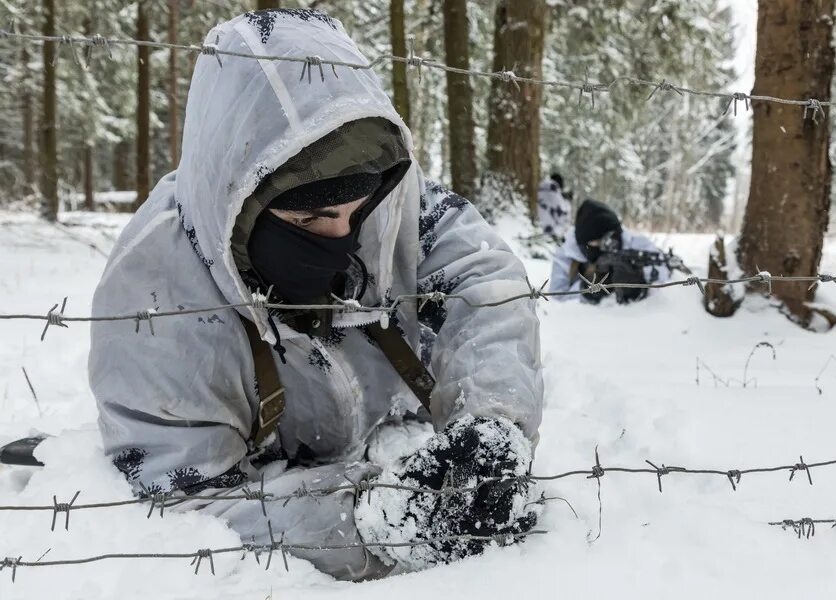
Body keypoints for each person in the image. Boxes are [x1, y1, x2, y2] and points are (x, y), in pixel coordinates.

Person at [89, 9, 542, 580]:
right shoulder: (155, 298)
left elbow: (484, 280)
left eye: (357, 213)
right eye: (311, 216)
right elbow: (189, 504)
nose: (343, 237)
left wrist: (491, 423)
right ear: (242, 199)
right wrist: (376, 520)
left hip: (384, 426)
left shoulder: (388, 197)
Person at [549, 199, 673, 304]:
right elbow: (556, 298)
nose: (608, 247)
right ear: (584, 243)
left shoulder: (634, 243)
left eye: (611, 239)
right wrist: (586, 290)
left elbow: (664, 273)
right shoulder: (567, 254)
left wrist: (639, 279)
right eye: (598, 243)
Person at [536, 173, 571, 241]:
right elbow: (563, 212)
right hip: (553, 229)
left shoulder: (541, 188)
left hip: (541, 223)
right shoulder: (556, 194)